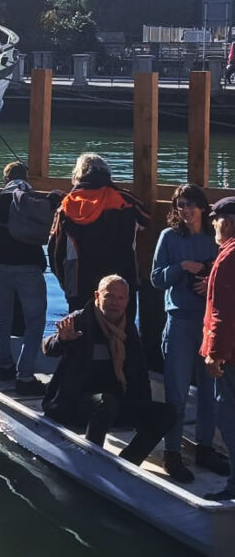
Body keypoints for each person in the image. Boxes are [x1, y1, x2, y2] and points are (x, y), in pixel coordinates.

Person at [42, 275, 175, 466]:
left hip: (116, 402)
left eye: (120, 298)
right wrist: (62, 340)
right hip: (76, 402)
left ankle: (128, 462)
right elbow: (48, 348)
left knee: (167, 413)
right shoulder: (80, 320)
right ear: (97, 296)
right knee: (105, 403)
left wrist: (143, 413)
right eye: (109, 297)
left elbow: (140, 371)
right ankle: (90, 461)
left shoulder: (127, 330)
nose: (115, 303)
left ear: (127, 301)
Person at [151, 184, 229, 483]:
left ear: (202, 207)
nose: (185, 210)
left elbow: (224, 272)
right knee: (177, 391)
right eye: (180, 205)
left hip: (208, 323)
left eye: (190, 204)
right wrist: (182, 266)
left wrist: (208, 279)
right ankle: (172, 453)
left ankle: (205, 448)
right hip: (180, 322)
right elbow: (156, 279)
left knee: (210, 392)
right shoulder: (168, 237)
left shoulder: (214, 239)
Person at [0, 161, 49, 394]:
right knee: (34, 322)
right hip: (30, 269)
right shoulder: (34, 200)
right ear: (27, 178)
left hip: (0, 270)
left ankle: (5, 366)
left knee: (1, 319)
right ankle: (25, 376)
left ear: (5, 180)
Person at [49, 153, 149, 314]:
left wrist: (64, 282)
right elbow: (146, 219)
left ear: (78, 174)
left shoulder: (67, 204)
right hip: (121, 276)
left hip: (80, 282)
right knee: (122, 331)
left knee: (81, 331)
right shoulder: (124, 199)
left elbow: (55, 249)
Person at [200, 196, 235, 501]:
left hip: (230, 356)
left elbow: (223, 312)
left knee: (229, 419)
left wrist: (215, 353)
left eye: (216, 218)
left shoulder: (228, 258)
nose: (213, 223)